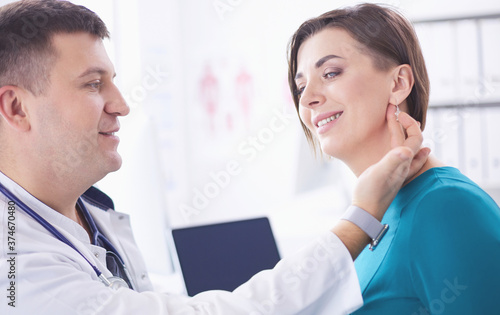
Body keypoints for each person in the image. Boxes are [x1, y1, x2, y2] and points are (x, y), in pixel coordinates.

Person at [0, 1, 428, 314]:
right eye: (94, 85)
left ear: (399, 82)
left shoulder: (440, 204)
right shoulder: (14, 267)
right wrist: (360, 218)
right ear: (17, 108)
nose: (121, 104)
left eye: (331, 72)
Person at [288, 3, 500, 314]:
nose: (307, 99)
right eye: (301, 86)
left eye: (331, 73)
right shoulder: (374, 211)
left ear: (398, 83)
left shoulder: (447, 206)